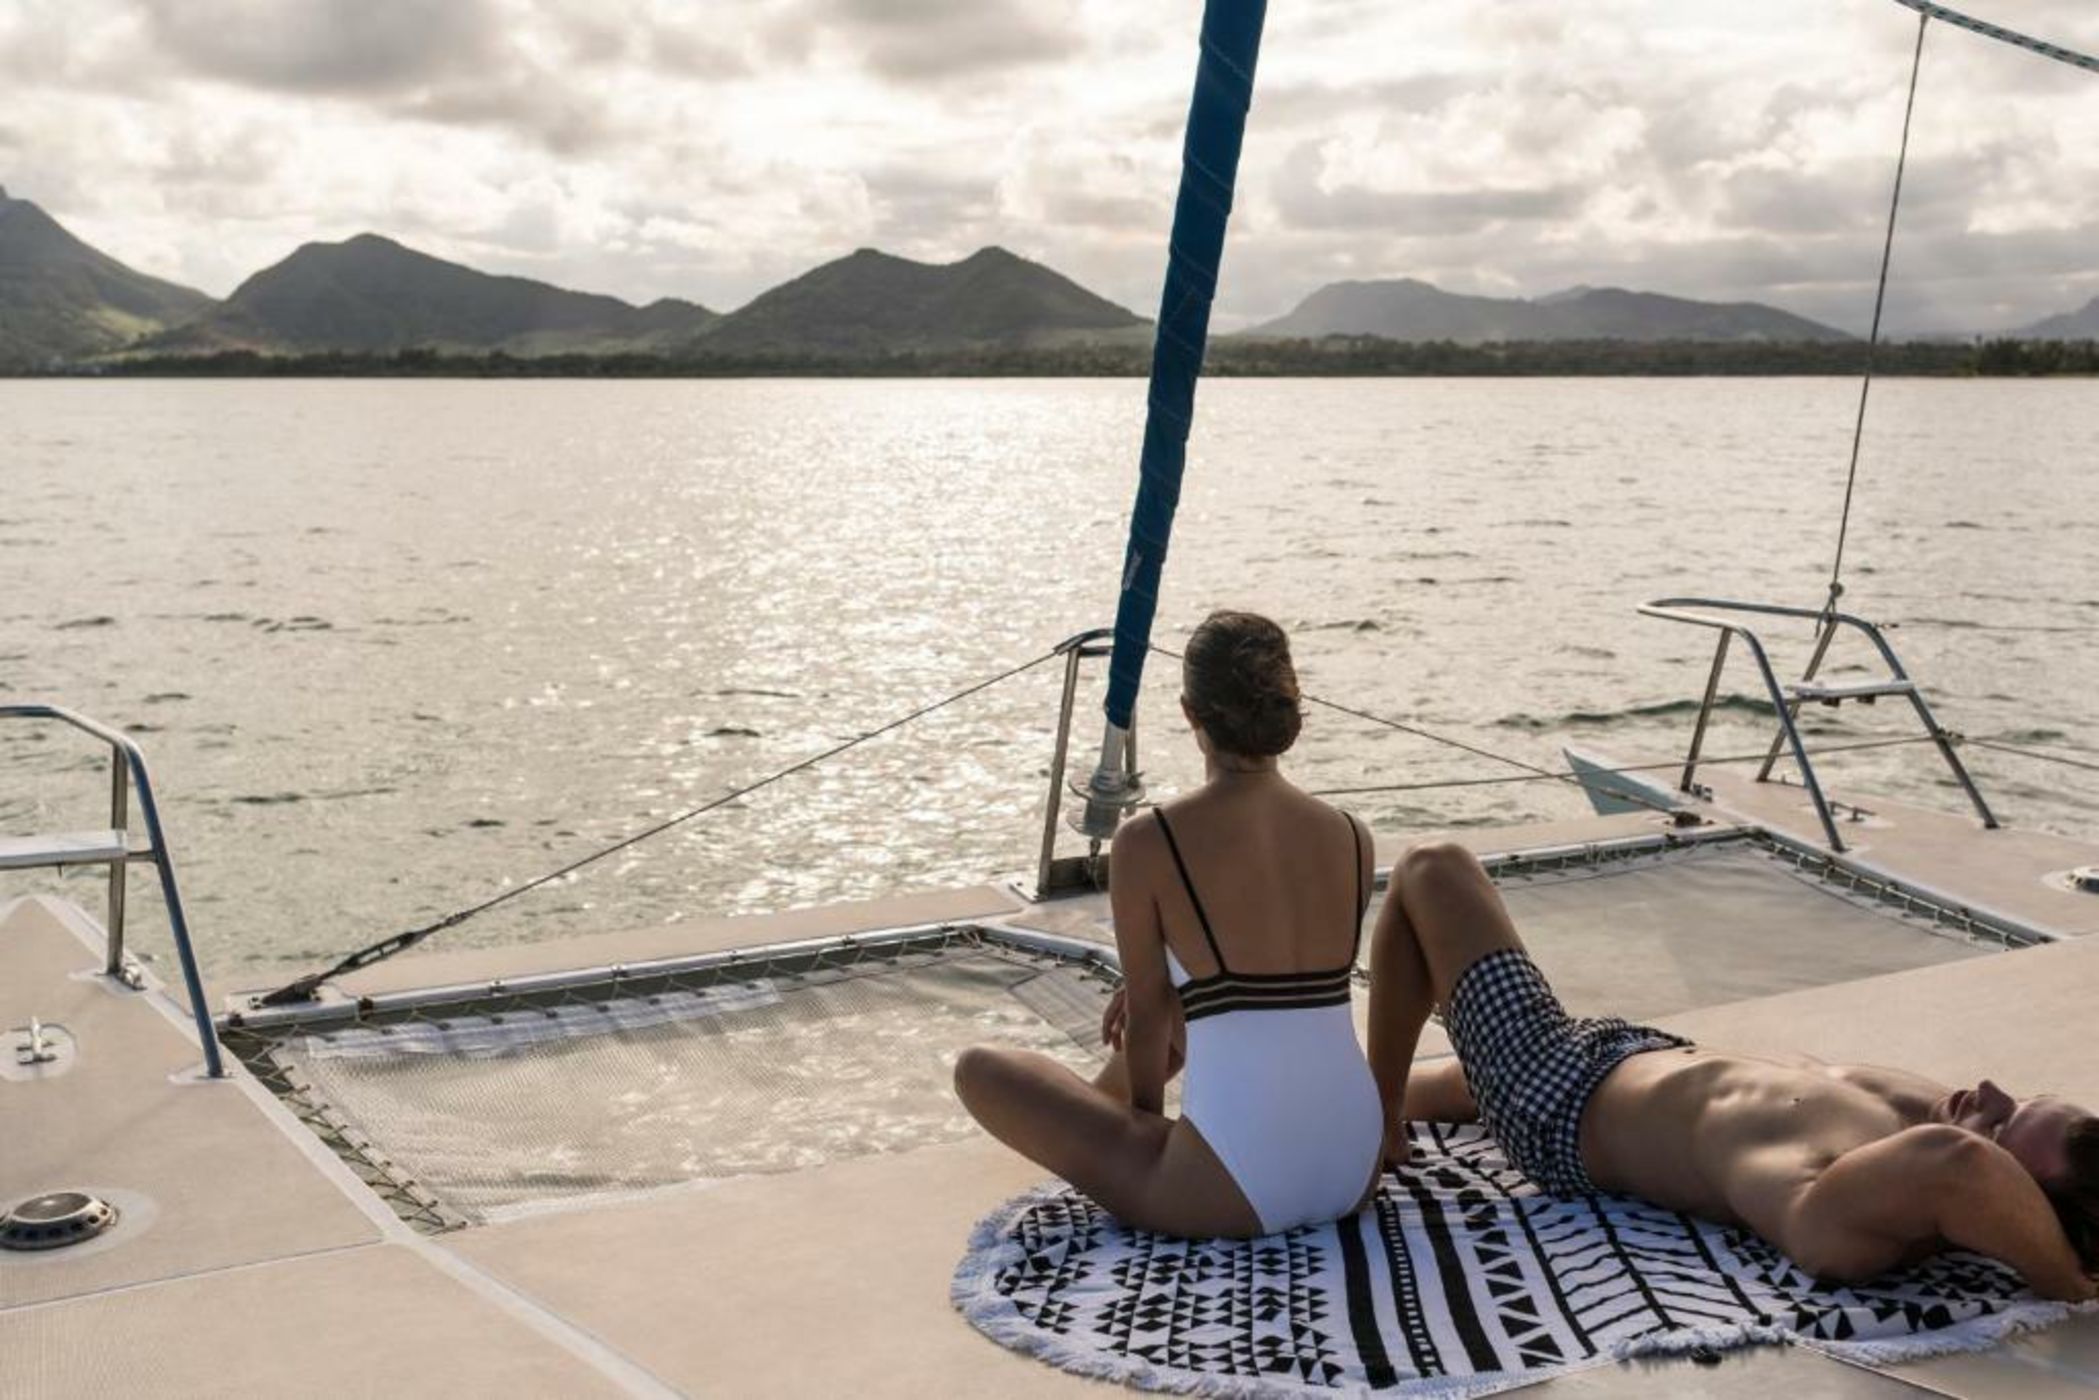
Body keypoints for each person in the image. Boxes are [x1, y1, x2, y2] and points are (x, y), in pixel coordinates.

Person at [1366, 839, 2099, 1303]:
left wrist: (2063, 1277)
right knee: (1409, 1088)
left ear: (2007, 1207)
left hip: (1553, 1098)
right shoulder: (1941, 1125)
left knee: (1433, 868)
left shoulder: (1845, 1217)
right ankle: (1375, 1106)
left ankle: (1376, 1126)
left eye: (2000, 1124)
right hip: (1627, 1054)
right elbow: (1970, 1160)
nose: (1988, 1093)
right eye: (2017, 1101)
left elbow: (1959, 1165)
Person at [955, 610, 1381, 1237]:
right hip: (1354, 1166)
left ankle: (1133, 1127)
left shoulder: (1149, 840)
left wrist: (1145, 1136)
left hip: (1237, 1186)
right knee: (1208, 998)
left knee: (981, 1069)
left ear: (1189, 713)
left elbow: (1149, 1020)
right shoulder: (1352, 834)